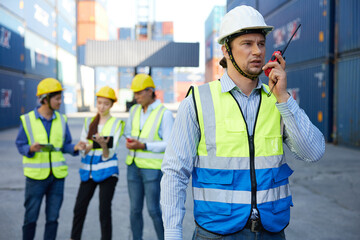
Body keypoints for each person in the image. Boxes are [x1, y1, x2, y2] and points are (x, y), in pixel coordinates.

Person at [160, 5, 325, 240]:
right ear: (226, 50)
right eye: (247, 44)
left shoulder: (277, 101)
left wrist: (283, 98)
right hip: (216, 234)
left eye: (261, 43)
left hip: (271, 233)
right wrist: (173, 234)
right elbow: (175, 173)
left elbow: (314, 152)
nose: (257, 51)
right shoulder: (197, 102)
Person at [15, 78, 86, 240]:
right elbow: (20, 144)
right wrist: (29, 149)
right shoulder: (27, 120)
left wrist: (75, 147)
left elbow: (65, 144)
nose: (60, 101)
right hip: (35, 178)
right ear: (45, 99)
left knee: (53, 219)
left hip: (57, 178)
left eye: (61, 97)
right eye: (57, 98)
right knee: (30, 218)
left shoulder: (61, 119)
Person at [70, 86, 124, 240]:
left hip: (108, 172)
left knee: (104, 211)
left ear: (112, 104)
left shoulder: (116, 123)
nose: (102, 107)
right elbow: (83, 149)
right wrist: (84, 147)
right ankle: (74, 237)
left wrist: (104, 145)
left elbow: (109, 154)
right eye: (99, 103)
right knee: (79, 208)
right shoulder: (89, 122)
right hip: (88, 172)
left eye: (106, 104)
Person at [125, 73, 174, 240]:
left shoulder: (164, 114)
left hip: (152, 169)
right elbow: (128, 132)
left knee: (153, 210)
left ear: (150, 91)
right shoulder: (134, 110)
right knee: (134, 210)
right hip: (133, 166)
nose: (136, 96)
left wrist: (144, 145)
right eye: (134, 93)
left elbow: (169, 144)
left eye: (139, 93)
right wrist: (130, 141)